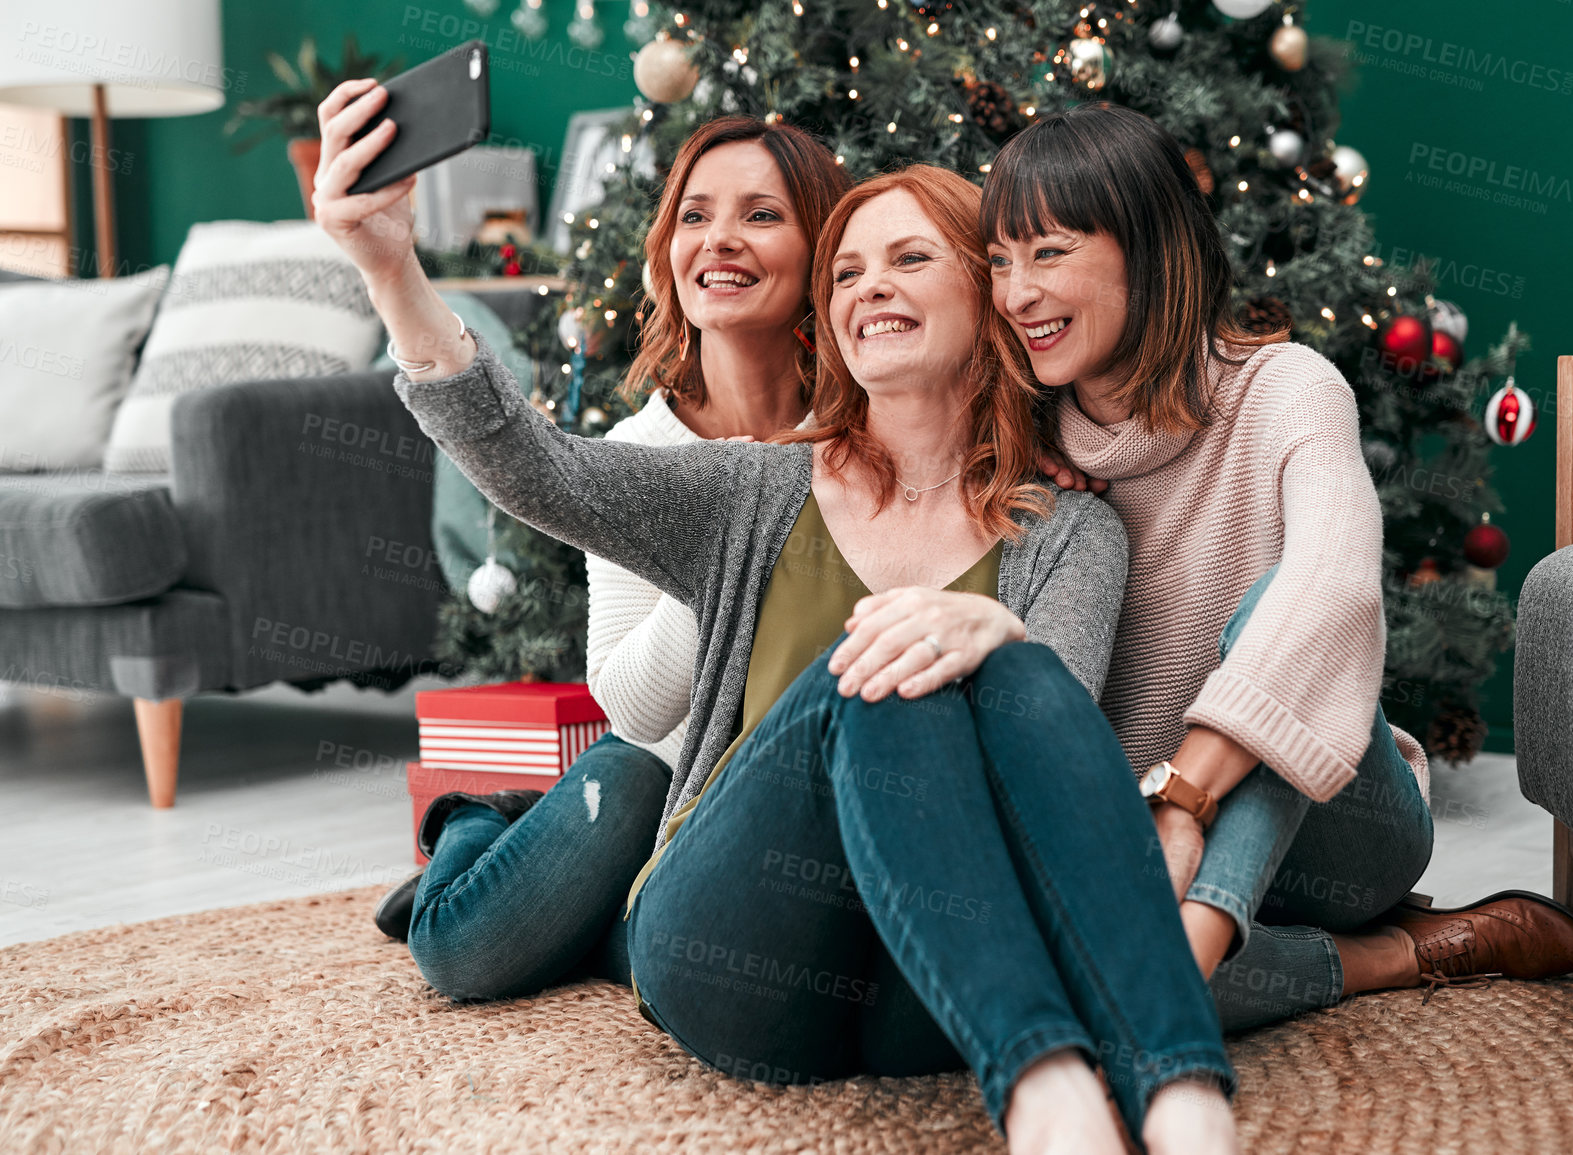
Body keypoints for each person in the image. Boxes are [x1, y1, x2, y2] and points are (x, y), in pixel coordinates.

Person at [316, 73, 1240, 1153]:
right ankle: (1057, 1092)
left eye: (907, 259)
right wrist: (390, 267)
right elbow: (535, 470)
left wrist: (1002, 634)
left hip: (924, 988)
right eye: (845, 271)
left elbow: (1056, 774)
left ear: (989, 300)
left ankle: (1166, 1093)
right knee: (883, 666)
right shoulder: (756, 487)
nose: (865, 288)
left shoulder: (1071, 531)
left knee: (980, 661)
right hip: (726, 949)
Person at [980, 102, 1573, 1033]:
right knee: (1048, 971)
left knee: (1285, 602)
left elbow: (1336, 589)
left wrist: (1183, 798)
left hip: (1336, 825)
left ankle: (1201, 924)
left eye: (1050, 252)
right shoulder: (1018, 442)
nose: (1016, 292)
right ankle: (1391, 955)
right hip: (1133, 843)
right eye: (997, 260)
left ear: (1150, 249)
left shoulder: (1284, 388)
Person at [353, 113, 849, 1001]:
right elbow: (627, 699)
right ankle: (476, 821)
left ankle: (582, 891)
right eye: (694, 216)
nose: (720, 239)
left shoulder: (865, 433)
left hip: (789, 797)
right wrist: (730, 548)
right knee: (463, 954)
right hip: (654, 776)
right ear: (668, 249)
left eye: (761, 215)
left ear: (823, 248)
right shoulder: (641, 447)